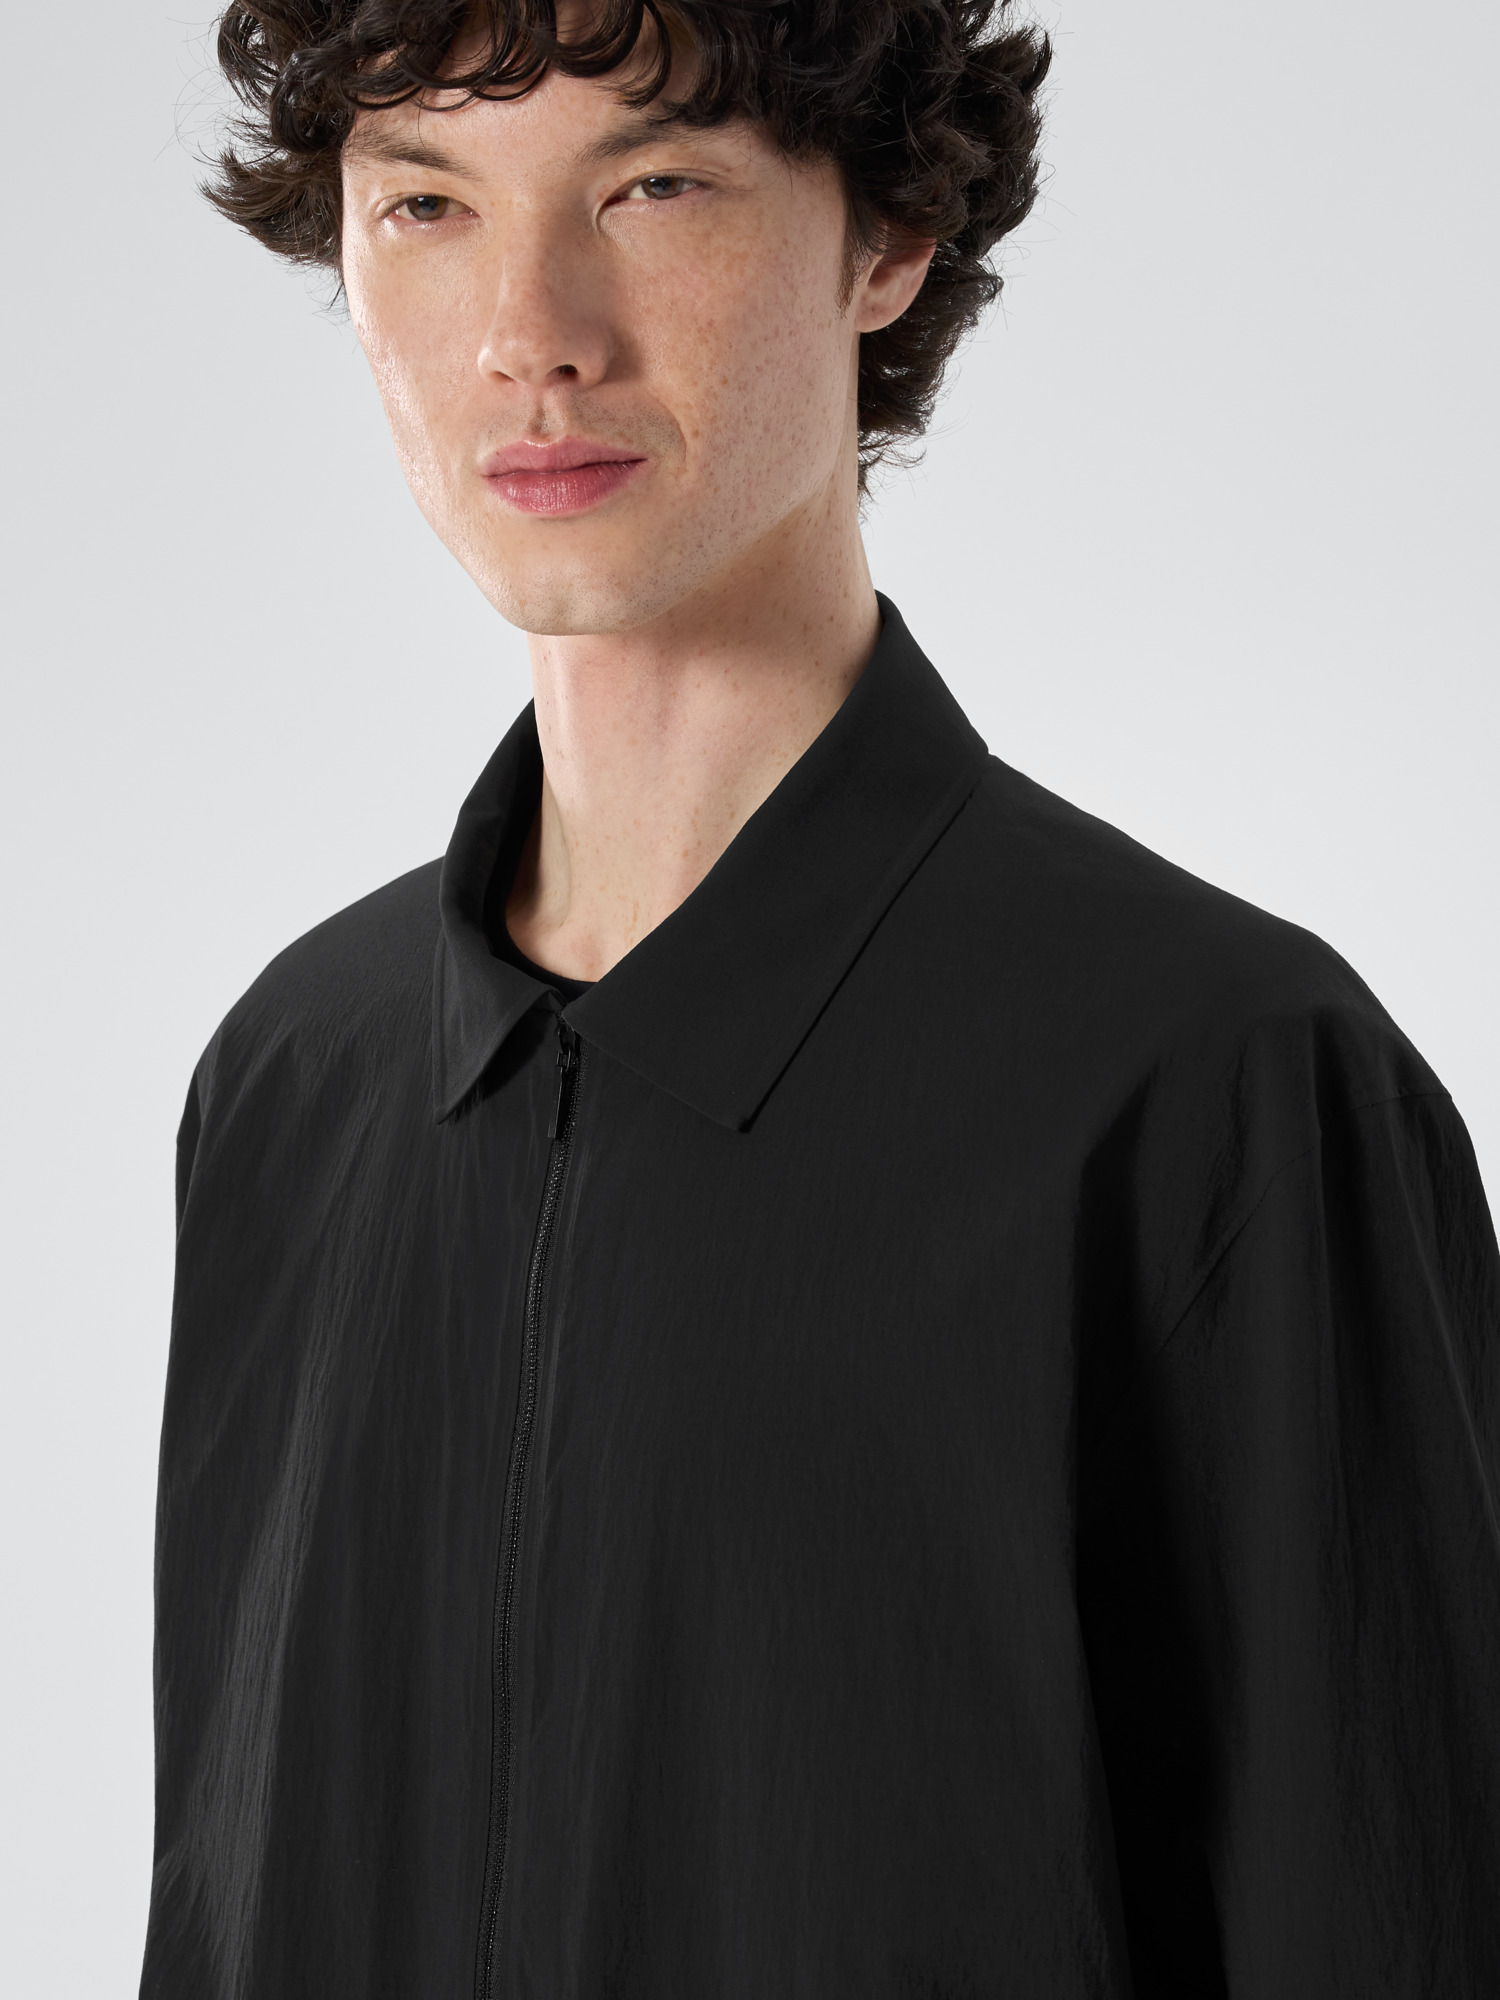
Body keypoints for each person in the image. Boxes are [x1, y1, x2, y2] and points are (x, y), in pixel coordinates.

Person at [141, 2, 1500, 1994]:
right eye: (426, 205)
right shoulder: (290, 1079)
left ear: (887, 237)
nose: (530, 333)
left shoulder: (1218, 1087)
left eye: (652, 186)